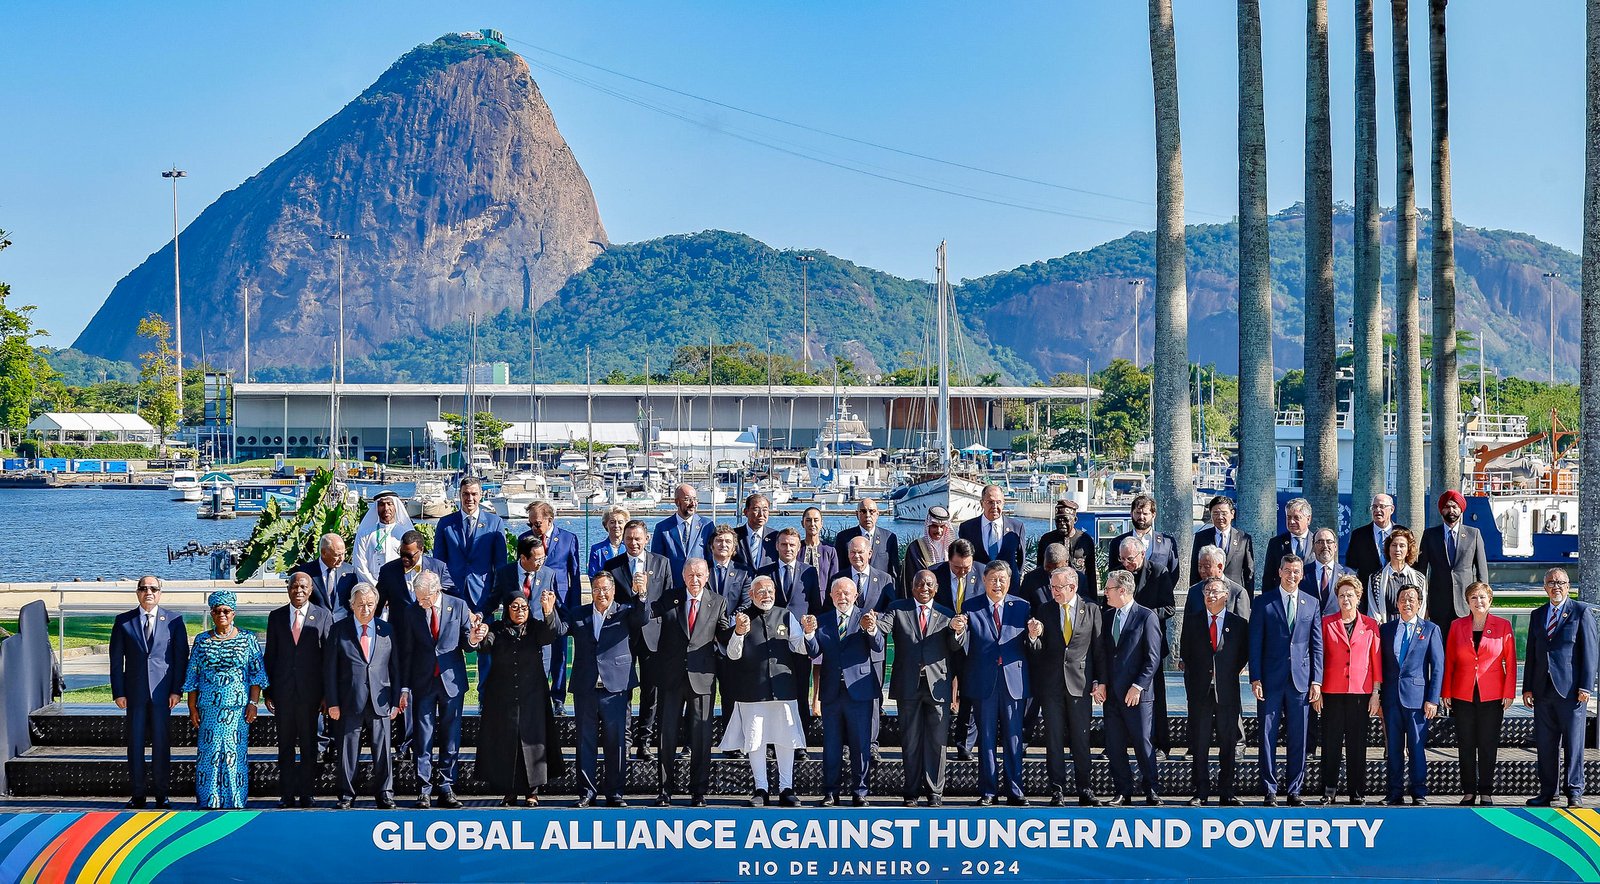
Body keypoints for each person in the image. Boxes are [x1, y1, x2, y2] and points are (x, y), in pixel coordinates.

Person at [719, 576, 819, 806]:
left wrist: (808, 633)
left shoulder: (785, 615)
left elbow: (801, 648)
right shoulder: (743, 618)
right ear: (752, 595)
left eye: (769, 590)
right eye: (760, 591)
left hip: (784, 691)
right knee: (755, 740)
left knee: (786, 740)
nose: (766, 595)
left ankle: (786, 788)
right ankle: (760, 788)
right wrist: (739, 632)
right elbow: (733, 654)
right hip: (752, 691)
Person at [467, 590, 566, 806]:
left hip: (533, 696)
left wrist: (549, 612)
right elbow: (484, 646)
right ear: (506, 609)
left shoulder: (535, 628)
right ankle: (509, 791)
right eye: (515, 607)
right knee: (506, 744)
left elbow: (551, 634)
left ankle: (533, 791)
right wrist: (477, 635)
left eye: (524, 607)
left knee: (533, 743)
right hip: (503, 697)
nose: (520, 611)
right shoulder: (497, 629)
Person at [557, 572, 645, 807]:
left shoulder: (626, 611)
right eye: (596, 589)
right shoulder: (579, 614)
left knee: (616, 742)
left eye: (606, 589)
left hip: (615, 687)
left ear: (613, 591)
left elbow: (643, 617)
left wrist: (642, 593)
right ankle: (587, 792)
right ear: (591, 591)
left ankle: (615, 792)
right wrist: (547, 611)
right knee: (585, 743)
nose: (601, 593)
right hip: (586, 687)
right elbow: (557, 629)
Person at [880, 569, 964, 806]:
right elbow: (883, 627)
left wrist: (958, 631)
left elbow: (955, 647)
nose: (924, 588)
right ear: (912, 586)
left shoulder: (947, 614)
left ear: (936, 588)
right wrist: (871, 623)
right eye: (919, 584)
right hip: (908, 686)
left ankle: (935, 791)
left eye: (929, 585)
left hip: (938, 687)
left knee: (938, 742)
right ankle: (911, 791)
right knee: (911, 740)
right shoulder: (898, 608)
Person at [1024, 567, 1105, 806]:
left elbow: (1099, 651)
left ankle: (1085, 788)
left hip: (1080, 686)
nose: (1054, 592)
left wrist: (1100, 681)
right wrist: (1033, 637)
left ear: (1073, 587)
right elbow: (1038, 652)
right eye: (1052, 587)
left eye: (1059, 588)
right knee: (1054, 739)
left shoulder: (1091, 609)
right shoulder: (1046, 610)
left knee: (1081, 739)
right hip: (1051, 686)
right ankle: (1057, 789)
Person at [652, 558, 729, 807]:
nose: (695, 580)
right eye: (690, 575)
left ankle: (698, 790)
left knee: (701, 738)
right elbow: (649, 619)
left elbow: (724, 633)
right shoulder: (669, 598)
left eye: (699, 575)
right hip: (671, 677)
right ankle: (665, 790)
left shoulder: (718, 602)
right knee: (667, 735)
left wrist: (738, 630)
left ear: (707, 576)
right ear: (683, 576)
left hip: (702, 678)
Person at [181, 590, 267, 809]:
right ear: (211, 613)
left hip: (237, 709)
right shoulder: (202, 640)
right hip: (209, 708)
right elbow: (193, 674)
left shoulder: (247, 639)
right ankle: (209, 799)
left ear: (234, 613)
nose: (222, 614)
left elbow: (256, 674)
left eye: (226, 611)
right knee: (209, 754)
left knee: (233, 753)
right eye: (217, 610)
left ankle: (235, 799)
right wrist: (192, 707)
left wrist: (253, 704)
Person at [1248, 554, 1323, 806]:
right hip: (1270, 679)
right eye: (1288, 570)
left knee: (1299, 736)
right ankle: (1269, 789)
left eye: (1297, 571)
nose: (1292, 575)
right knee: (1267, 735)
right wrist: (1255, 677)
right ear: (1279, 572)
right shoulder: (1263, 602)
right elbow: (1255, 642)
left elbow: (1316, 645)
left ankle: (1294, 789)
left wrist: (1316, 681)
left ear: (1302, 575)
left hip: (1301, 681)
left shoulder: (1311, 603)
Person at [325, 583, 408, 809]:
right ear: (351, 605)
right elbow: (330, 669)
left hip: (380, 701)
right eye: (361, 604)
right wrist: (332, 702)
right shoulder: (338, 630)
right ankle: (346, 794)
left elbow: (395, 668)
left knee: (382, 751)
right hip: (349, 700)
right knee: (347, 751)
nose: (366, 609)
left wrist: (395, 701)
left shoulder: (386, 630)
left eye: (370, 604)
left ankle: (385, 793)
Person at [110, 576, 188, 809]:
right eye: (143, 588)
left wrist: (177, 690)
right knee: (135, 745)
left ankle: (162, 794)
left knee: (162, 744)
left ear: (160, 593)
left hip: (163, 695)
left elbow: (180, 658)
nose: (148, 592)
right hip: (134, 694)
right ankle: (138, 794)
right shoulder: (124, 621)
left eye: (153, 588)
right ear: (137, 593)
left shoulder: (174, 621)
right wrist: (118, 692)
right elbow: (116, 661)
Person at [956, 561, 1031, 806]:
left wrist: (1034, 635)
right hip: (984, 681)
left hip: (1013, 682)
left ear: (1009, 582)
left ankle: (1015, 790)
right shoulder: (971, 607)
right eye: (993, 579)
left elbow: (1031, 647)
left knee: (1013, 739)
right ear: (984, 581)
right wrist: (958, 630)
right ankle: (988, 791)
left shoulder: (1022, 607)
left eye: (1002, 579)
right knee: (986, 739)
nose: (997, 584)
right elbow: (962, 642)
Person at [1523, 568, 1597, 808]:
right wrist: (1527, 688)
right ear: (1545, 587)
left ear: (1568, 586)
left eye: (1561, 583)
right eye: (1551, 583)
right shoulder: (1538, 615)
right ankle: (1548, 792)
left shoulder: (1581, 612)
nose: (1556, 587)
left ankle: (1574, 791)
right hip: (1542, 691)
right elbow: (1532, 654)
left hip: (1571, 691)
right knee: (1545, 744)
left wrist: (1586, 686)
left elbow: (1590, 652)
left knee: (1574, 744)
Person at [399, 571, 473, 808]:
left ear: (437, 591)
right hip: (423, 681)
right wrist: (405, 687)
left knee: (451, 736)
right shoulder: (412, 612)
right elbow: (407, 651)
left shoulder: (458, 606)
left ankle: (446, 785)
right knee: (423, 736)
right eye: (419, 598)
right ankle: (423, 788)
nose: (422, 603)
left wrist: (473, 639)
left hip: (451, 680)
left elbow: (466, 642)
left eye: (425, 599)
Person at [1442, 581, 1518, 806]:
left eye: (1483, 597)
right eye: (1474, 598)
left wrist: (1509, 692)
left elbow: (1510, 662)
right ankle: (1468, 791)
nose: (1479, 601)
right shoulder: (1457, 626)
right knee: (1465, 744)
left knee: (1487, 743)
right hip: (1462, 693)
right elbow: (1450, 661)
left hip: (1492, 694)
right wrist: (1446, 691)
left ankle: (1485, 791)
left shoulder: (1503, 625)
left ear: (1490, 600)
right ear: (1467, 602)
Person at [605, 518, 672, 762]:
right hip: (623, 636)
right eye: (629, 538)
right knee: (623, 690)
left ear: (647, 539)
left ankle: (644, 741)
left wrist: (647, 610)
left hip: (652, 636)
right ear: (623, 539)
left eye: (638, 538)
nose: (633, 542)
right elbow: (611, 602)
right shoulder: (613, 566)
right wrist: (636, 599)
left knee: (650, 692)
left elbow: (667, 599)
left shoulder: (661, 563)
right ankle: (625, 740)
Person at [263, 572, 332, 808]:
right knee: (285, 746)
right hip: (283, 693)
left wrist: (326, 694)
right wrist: (268, 691)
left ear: (310, 589)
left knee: (309, 746)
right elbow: (270, 655)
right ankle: (287, 794)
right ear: (288, 589)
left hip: (311, 695)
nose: (298, 591)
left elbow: (328, 659)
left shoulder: (323, 616)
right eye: (294, 587)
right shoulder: (276, 617)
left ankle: (307, 793)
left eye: (303, 587)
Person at [814, 577, 884, 807]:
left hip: (860, 691)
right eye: (838, 593)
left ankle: (860, 791)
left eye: (847, 593)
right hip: (832, 692)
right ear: (831, 596)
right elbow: (813, 651)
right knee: (831, 746)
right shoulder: (823, 620)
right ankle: (830, 792)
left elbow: (878, 646)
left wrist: (872, 629)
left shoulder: (866, 617)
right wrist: (807, 634)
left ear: (856, 596)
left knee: (861, 744)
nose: (842, 597)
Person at [1180, 577, 1248, 807]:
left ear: (1226, 595)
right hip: (1199, 691)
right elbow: (1186, 655)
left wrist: (1224, 674)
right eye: (1207, 591)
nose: (1210, 595)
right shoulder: (1192, 621)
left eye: (1215, 591)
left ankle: (1227, 791)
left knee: (1227, 742)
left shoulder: (1238, 624)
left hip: (1227, 691)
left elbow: (1241, 656)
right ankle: (1200, 791)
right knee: (1199, 743)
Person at [1097, 569, 1162, 805]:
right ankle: (1123, 791)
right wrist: (1100, 682)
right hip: (1113, 694)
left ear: (1122, 590)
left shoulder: (1146, 617)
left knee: (1143, 743)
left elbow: (1153, 658)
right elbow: (1103, 654)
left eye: (1109, 588)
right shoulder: (1107, 617)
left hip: (1137, 695)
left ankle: (1151, 788)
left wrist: (1138, 686)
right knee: (1115, 746)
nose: (1105, 593)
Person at [1315, 575, 1381, 805]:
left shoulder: (1370, 625)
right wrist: (1318, 689)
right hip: (1332, 692)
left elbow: (1376, 660)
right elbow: (1319, 657)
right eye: (1342, 595)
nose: (1346, 599)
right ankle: (1329, 790)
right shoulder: (1327, 622)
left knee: (1357, 745)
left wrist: (1376, 693)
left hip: (1360, 693)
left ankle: (1357, 792)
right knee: (1330, 743)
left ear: (1359, 596)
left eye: (1350, 595)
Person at [1378, 585, 1444, 805]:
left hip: (1418, 700)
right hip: (1391, 698)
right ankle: (1394, 793)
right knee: (1393, 748)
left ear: (1419, 603)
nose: (1407, 603)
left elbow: (1437, 667)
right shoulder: (1386, 630)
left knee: (1416, 747)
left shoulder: (1431, 629)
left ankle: (1419, 792)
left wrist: (1433, 699)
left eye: (1412, 599)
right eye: (1403, 599)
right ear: (1397, 604)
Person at [492, 535, 569, 712]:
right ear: (523, 558)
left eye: (544, 557)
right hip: (513, 641)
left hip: (539, 639)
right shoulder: (505, 573)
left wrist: (564, 623)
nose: (541, 562)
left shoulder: (548, 574)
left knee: (538, 690)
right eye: (537, 558)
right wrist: (479, 614)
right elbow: (493, 599)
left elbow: (556, 604)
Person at [1117, 534, 1176, 756]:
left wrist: (1144, 615)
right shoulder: (1119, 573)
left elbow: (1169, 608)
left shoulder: (1159, 572)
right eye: (1122, 559)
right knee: (1121, 693)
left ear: (1142, 554)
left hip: (1151, 642)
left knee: (1156, 696)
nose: (1126, 564)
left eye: (1130, 559)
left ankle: (1160, 743)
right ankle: (1121, 742)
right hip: (1125, 645)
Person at [931, 538, 985, 760]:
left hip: (972, 645)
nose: (962, 572)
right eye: (957, 567)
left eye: (966, 567)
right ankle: (937, 742)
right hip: (941, 642)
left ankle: (964, 744)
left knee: (970, 695)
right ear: (948, 560)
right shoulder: (934, 574)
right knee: (938, 695)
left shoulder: (983, 572)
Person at [1416, 490, 1489, 635]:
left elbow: (1482, 571)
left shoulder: (1473, 534)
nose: (1451, 510)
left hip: (1466, 603)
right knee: (1440, 649)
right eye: (1447, 507)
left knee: (1464, 648)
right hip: (1438, 604)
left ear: (1461, 509)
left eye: (1455, 507)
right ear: (1441, 510)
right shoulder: (1430, 535)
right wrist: (1421, 602)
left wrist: (1483, 600)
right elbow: (1421, 572)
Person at [435, 477, 508, 616]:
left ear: (481, 495)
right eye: (465, 494)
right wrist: (447, 590)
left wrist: (495, 596)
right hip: (453, 595)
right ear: (460, 495)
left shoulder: (495, 523)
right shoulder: (445, 524)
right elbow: (439, 563)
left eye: (474, 494)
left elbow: (500, 564)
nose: (470, 498)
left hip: (483, 595)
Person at [375, 530, 454, 621]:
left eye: (409, 555)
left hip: (428, 629)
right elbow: (378, 604)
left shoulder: (438, 568)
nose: (405, 558)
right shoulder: (388, 571)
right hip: (399, 630)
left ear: (421, 550)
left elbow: (453, 597)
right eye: (402, 553)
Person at [960, 484, 1026, 592]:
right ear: (982, 503)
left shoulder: (1017, 527)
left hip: (1008, 589)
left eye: (998, 502)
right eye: (990, 502)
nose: (994, 506)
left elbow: (1021, 560)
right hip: (978, 588)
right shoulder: (967, 528)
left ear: (1003, 503)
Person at [652, 483, 715, 590]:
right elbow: (657, 562)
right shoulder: (662, 528)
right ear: (677, 502)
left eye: (695, 499)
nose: (693, 503)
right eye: (688, 499)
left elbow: (711, 558)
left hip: (699, 587)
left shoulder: (707, 525)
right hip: (672, 588)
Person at [1191, 495, 1254, 594]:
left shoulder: (1244, 538)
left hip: (1234, 594)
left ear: (1232, 514)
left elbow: (1249, 572)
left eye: (1224, 513)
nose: (1220, 517)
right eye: (1215, 513)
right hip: (1208, 594)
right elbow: (1195, 569)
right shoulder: (1201, 537)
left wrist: (1248, 601)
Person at [1037, 499, 1097, 599]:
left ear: (1075, 520)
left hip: (1080, 593)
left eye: (1065, 520)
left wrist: (1093, 600)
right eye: (1058, 520)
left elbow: (1091, 573)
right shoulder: (1046, 540)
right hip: (1053, 594)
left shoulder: (1085, 540)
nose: (1062, 523)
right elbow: (1040, 570)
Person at [353, 490, 414, 587]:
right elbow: (359, 565)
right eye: (381, 504)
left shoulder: (406, 533)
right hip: (372, 590)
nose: (386, 508)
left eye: (389, 504)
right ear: (376, 508)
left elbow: (413, 562)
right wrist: (376, 587)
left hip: (401, 589)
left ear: (395, 506)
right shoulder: (365, 534)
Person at [1364, 527, 1425, 623]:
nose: (1397, 549)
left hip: (1412, 629)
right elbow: (1373, 612)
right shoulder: (1375, 578)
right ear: (1388, 549)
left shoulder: (1419, 578)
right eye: (1394, 545)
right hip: (1385, 629)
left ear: (1408, 550)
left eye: (1402, 546)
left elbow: (1421, 608)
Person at [290, 533, 357, 619]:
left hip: (342, 625)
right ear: (324, 552)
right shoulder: (305, 572)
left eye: (343, 554)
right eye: (337, 555)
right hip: (316, 624)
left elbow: (354, 600)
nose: (342, 559)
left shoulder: (350, 571)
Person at [1344, 493, 1403, 591]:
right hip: (1367, 593)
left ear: (1392, 509)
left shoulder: (1403, 533)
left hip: (1397, 591)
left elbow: (1411, 563)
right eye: (1374, 507)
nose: (1377, 510)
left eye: (1382, 506)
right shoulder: (1359, 535)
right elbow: (1351, 566)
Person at [834, 498, 899, 585]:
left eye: (871, 511)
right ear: (857, 514)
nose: (868, 515)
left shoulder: (889, 538)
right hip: (851, 589)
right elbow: (839, 568)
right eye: (863, 511)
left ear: (877, 514)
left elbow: (894, 571)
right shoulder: (844, 538)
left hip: (880, 591)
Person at [1184, 545, 1251, 621]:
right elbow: (1187, 628)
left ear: (1220, 567)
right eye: (1200, 566)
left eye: (1207, 567)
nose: (1202, 570)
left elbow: (1243, 627)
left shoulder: (1237, 593)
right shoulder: (1194, 592)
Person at [1262, 497, 1315, 588]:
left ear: (1308, 519)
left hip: (1310, 598)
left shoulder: (1317, 542)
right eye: (1289, 517)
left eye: (1296, 517)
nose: (1291, 521)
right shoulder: (1276, 543)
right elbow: (1268, 576)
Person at [902, 505, 953, 594]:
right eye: (934, 526)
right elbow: (910, 579)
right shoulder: (915, 548)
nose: (939, 531)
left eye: (942, 526)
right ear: (928, 526)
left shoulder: (953, 548)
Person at [1303, 528, 1353, 615]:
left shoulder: (1348, 574)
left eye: (1329, 541)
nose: (1325, 546)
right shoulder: (1302, 573)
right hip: (1310, 627)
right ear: (1313, 547)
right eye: (1320, 542)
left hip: (1338, 626)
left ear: (1335, 546)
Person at [841, 535, 896, 613]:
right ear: (848, 554)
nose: (856, 556)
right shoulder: (838, 578)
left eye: (860, 552)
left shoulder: (884, 579)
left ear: (870, 553)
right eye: (853, 552)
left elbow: (891, 609)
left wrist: (875, 618)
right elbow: (830, 608)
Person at [708, 525, 756, 613]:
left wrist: (729, 623)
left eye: (728, 541)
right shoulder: (702, 570)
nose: (723, 544)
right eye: (719, 540)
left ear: (734, 547)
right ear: (711, 545)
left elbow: (745, 604)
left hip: (733, 624)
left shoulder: (744, 573)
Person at [798, 507, 840, 590]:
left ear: (821, 523)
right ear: (802, 523)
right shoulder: (796, 549)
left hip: (823, 599)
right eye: (808, 520)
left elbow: (834, 579)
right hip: (799, 598)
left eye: (816, 520)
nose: (812, 524)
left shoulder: (829, 550)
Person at [734, 493, 778, 572]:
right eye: (756, 509)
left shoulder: (776, 537)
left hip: (766, 582)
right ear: (746, 512)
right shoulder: (734, 535)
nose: (761, 514)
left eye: (765, 510)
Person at [1020, 543, 1068, 610]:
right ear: (1044, 559)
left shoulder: (1079, 580)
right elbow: (1022, 607)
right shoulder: (1031, 579)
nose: (1052, 572)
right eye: (1048, 567)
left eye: (1056, 569)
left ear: (1066, 562)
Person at [587, 505, 631, 579]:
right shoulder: (597, 550)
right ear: (606, 524)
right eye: (612, 522)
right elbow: (593, 576)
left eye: (620, 522)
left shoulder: (631, 547)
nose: (616, 525)